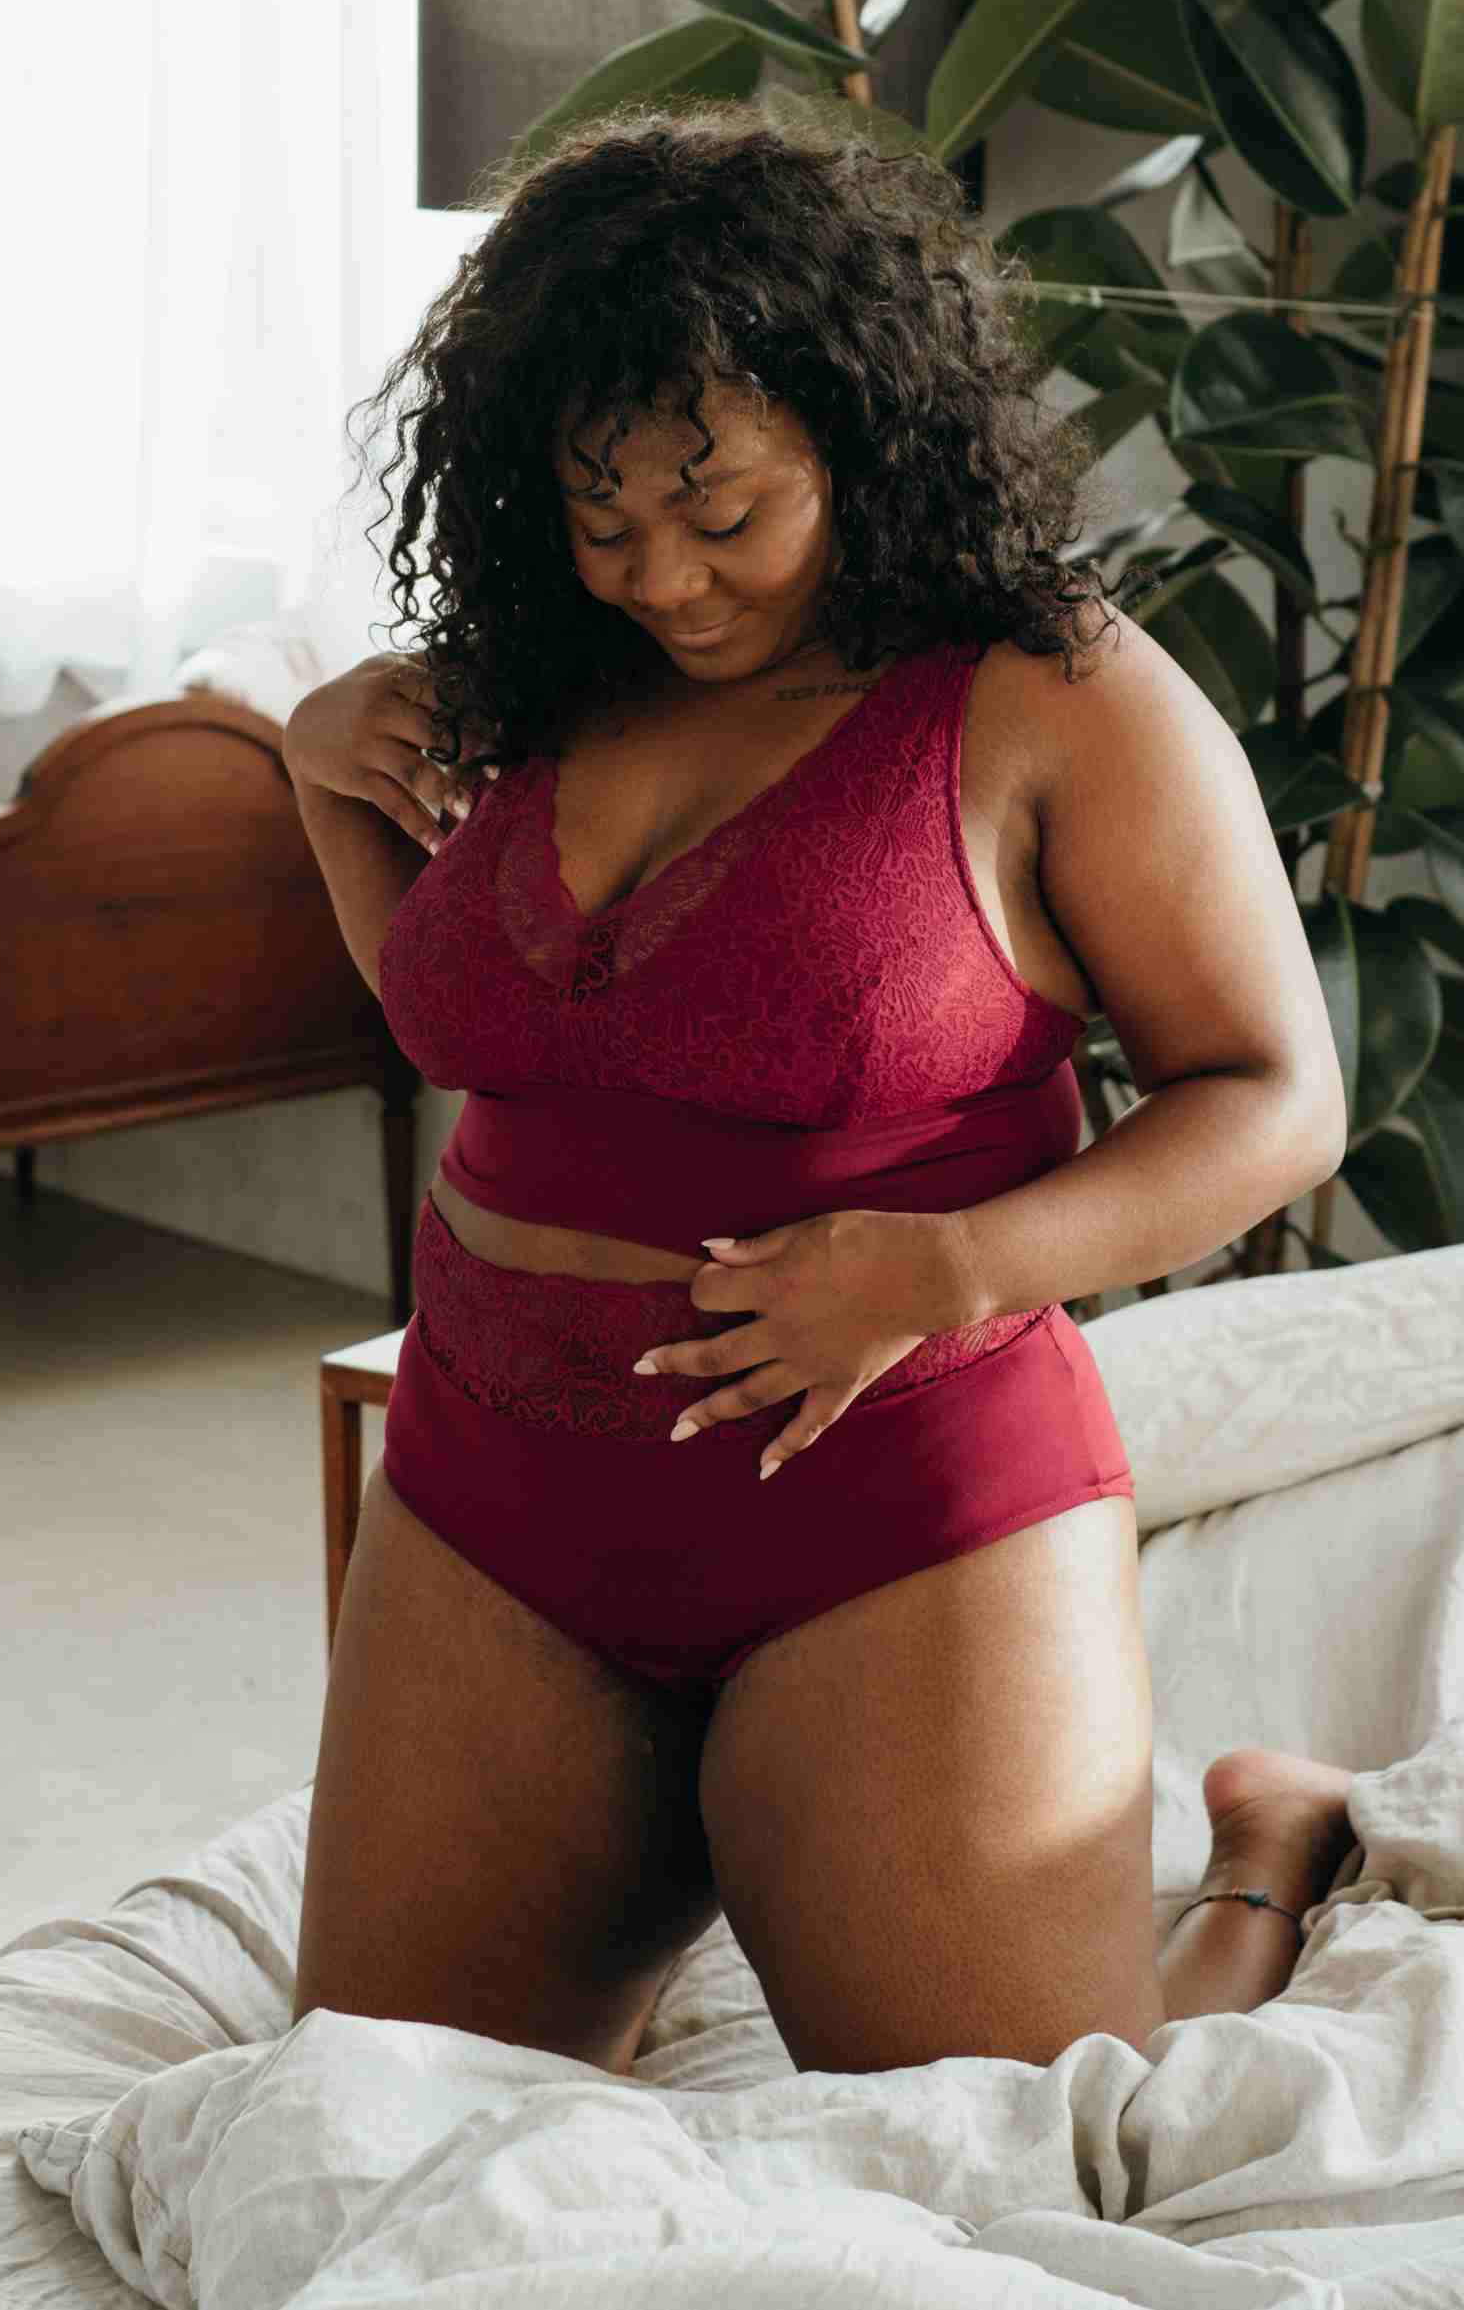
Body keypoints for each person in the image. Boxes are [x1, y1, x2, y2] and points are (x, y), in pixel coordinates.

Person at [283, 101, 1357, 2079]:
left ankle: (1266, 1860)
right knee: (366, 2116)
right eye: (602, 520)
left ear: (856, 441)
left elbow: (1272, 1095)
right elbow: (490, 1034)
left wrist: (947, 1268)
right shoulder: (529, 677)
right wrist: (312, 773)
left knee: (1012, 2148)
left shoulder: (1050, 692)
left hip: (886, 1504)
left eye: (726, 515)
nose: (667, 582)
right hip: (491, 1492)